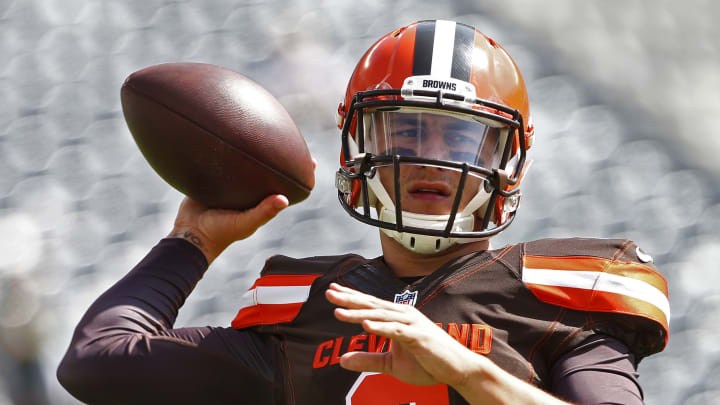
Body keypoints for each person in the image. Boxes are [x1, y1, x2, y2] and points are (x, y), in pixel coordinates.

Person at [57, 20, 669, 404]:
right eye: (406, 132)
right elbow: (96, 363)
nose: (432, 162)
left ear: (510, 161)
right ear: (357, 147)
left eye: (459, 139)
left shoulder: (560, 300)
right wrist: (193, 240)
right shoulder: (306, 311)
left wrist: (467, 371)